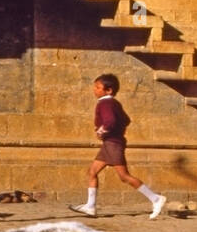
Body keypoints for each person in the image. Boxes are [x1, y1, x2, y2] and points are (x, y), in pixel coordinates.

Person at [70, 73, 167, 219]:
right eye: (94, 87)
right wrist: (116, 131)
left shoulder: (104, 103)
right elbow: (126, 120)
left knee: (124, 176)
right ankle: (90, 206)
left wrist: (101, 131)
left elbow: (109, 121)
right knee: (92, 172)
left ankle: (156, 198)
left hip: (112, 144)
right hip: (110, 144)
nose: (94, 90)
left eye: (98, 87)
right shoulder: (114, 103)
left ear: (108, 90)